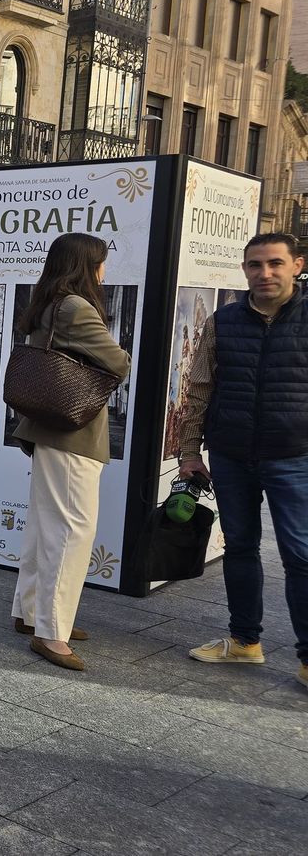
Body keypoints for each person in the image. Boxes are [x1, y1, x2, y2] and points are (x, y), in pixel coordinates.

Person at [178, 232, 308, 691]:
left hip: (295, 456)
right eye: (255, 264)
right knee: (240, 548)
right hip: (231, 454)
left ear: (297, 265)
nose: (265, 273)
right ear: (245, 269)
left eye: (275, 263)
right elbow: (197, 389)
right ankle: (244, 642)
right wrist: (189, 451)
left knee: (301, 555)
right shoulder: (223, 320)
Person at [10, 233, 132, 672]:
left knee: (45, 525)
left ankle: (31, 614)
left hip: (48, 429)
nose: (105, 269)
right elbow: (119, 362)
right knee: (71, 531)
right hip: (73, 433)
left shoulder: (49, 302)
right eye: (101, 261)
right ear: (86, 264)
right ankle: (52, 632)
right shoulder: (77, 307)